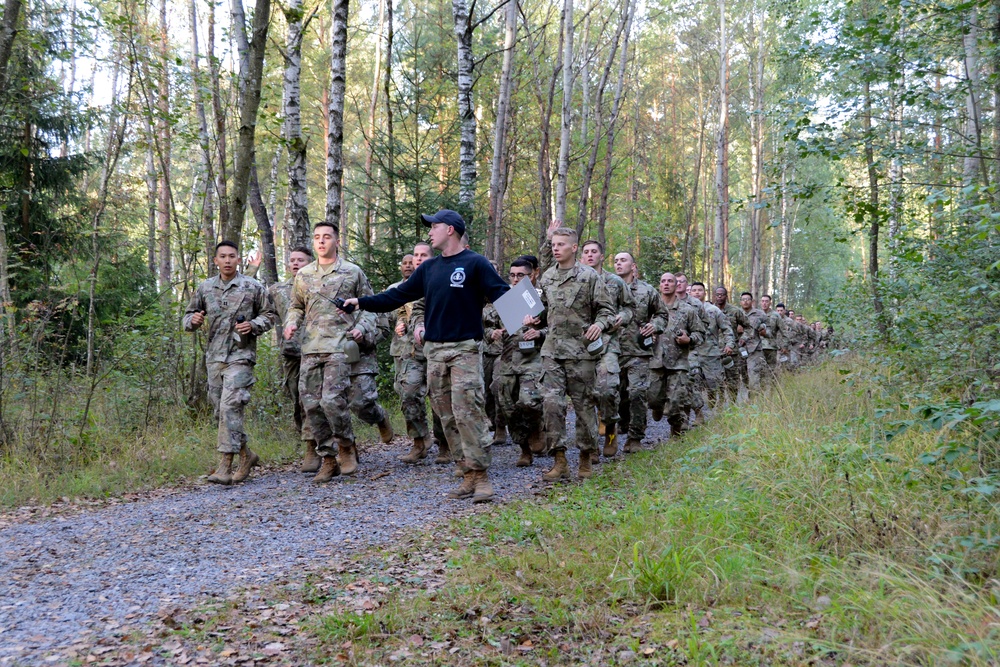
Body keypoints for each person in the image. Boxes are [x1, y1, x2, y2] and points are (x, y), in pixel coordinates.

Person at [342, 209, 509, 504]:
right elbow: (397, 296)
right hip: (434, 352)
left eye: (434, 226)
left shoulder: (476, 263)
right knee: (446, 416)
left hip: (465, 350)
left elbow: (503, 295)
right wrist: (360, 302)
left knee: (468, 413)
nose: (429, 232)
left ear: (450, 230)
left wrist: (534, 315)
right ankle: (466, 471)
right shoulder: (429, 269)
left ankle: (481, 476)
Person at [283, 222, 379, 483]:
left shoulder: (352, 272)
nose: (321, 242)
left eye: (327, 237)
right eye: (317, 238)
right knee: (311, 405)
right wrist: (291, 323)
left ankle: (346, 447)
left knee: (332, 400)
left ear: (337, 240)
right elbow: (296, 306)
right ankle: (327, 458)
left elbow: (370, 307)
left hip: (340, 346)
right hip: (311, 348)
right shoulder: (303, 275)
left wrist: (361, 329)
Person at [183, 241, 276, 485]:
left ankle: (225, 465)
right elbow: (187, 317)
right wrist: (192, 321)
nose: (227, 260)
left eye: (231, 256)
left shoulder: (252, 286)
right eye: (222, 256)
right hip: (214, 358)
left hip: (241, 356)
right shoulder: (205, 288)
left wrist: (254, 325)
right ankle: (246, 455)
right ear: (215, 260)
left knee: (230, 408)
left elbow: (270, 315)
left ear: (238, 259)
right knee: (221, 413)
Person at [536, 227, 615, 481]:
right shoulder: (547, 277)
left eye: (560, 245)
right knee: (551, 405)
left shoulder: (589, 276)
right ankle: (559, 460)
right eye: (553, 245)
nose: (555, 248)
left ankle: (585, 459)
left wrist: (599, 325)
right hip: (552, 351)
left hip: (581, 353)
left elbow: (606, 310)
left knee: (583, 408)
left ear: (573, 248)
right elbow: (540, 310)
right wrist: (530, 318)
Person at [580, 239, 635, 459]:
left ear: (602, 256)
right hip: (580, 346)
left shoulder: (614, 282)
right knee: (584, 396)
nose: (590, 255)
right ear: (581, 257)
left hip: (608, 343)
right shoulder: (575, 280)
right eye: (586, 252)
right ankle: (590, 445)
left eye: (594, 252)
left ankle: (610, 431)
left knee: (607, 389)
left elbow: (629, 307)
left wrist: (624, 316)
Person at [267, 246, 318, 472]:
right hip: (290, 354)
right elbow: (264, 313)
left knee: (311, 400)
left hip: (316, 351)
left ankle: (312, 448)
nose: (295, 264)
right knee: (296, 400)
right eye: (292, 260)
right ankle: (310, 439)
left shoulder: (319, 286)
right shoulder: (277, 290)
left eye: (301, 260)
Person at [493, 258, 546, 467]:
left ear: (532, 275)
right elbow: (487, 324)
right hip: (507, 360)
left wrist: (539, 332)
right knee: (507, 407)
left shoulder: (542, 298)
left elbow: (557, 328)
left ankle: (536, 429)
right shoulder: (503, 298)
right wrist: (492, 333)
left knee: (529, 400)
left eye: (520, 275)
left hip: (532, 359)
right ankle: (524, 448)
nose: (515, 279)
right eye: (512, 275)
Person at [613, 252, 666, 453]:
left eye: (623, 260)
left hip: (638, 352)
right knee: (614, 394)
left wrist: (655, 325)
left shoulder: (647, 290)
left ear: (633, 266)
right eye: (616, 261)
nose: (619, 264)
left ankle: (635, 438)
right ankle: (620, 424)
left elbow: (662, 314)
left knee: (637, 393)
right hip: (612, 351)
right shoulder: (606, 287)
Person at [648, 272, 705, 437]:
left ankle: (676, 433)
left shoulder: (687, 310)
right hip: (655, 362)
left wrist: (689, 339)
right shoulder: (651, 310)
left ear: (676, 285)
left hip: (678, 363)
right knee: (652, 399)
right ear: (660, 285)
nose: (666, 284)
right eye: (663, 281)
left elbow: (700, 334)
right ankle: (657, 407)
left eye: (670, 281)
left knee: (676, 403)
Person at [689, 281, 735, 409]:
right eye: (694, 290)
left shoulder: (713, 311)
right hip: (692, 353)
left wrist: (729, 344)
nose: (697, 292)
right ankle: (698, 414)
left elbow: (727, 329)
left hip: (711, 353)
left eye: (700, 290)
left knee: (714, 385)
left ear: (705, 293)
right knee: (693, 382)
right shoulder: (685, 309)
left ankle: (715, 402)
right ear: (690, 292)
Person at [737, 292, 769, 391]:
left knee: (754, 375)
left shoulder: (760, 313)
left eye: (748, 299)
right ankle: (749, 392)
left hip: (755, 349)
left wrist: (764, 331)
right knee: (744, 375)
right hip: (740, 349)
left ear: (752, 301)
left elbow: (769, 327)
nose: (745, 301)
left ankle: (754, 399)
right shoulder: (736, 313)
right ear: (740, 302)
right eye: (743, 299)